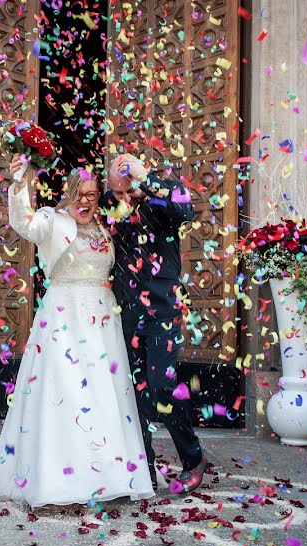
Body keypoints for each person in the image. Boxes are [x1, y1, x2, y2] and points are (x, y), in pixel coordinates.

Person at [0, 155, 154, 508]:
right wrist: (19, 186)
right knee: (66, 389)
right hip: (64, 317)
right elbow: (26, 225)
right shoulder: (53, 220)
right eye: (79, 193)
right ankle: (61, 477)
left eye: (92, 194)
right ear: (69, 193)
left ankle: (107, 474)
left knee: (102, 395)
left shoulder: (105, 228)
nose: (85, 201)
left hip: (102, 321)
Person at [101, 154, 206, 494]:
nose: (124, 199)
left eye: (129, 190)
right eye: (118, 192)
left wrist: (145, 179)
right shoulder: (109, 205)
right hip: (125, 312)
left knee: (162, 385)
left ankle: (193, 459)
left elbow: (185, 210)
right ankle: (143, 469)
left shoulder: (163, 199)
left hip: (163, 308)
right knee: (134, 393)